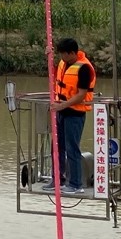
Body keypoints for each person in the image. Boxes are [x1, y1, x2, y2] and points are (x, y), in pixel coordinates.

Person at [44, 37, 96, 192]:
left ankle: (75, 184)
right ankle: (57, 179)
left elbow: (81, 95)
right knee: (57, 147)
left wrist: (62, 106)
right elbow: (55, 76)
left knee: (72, 148)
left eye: (64, 54)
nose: (62, 57)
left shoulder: (84, 68)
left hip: (75, 113)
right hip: (61, 111)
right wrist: (49, 57)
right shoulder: (63, 63)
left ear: (72, 53)